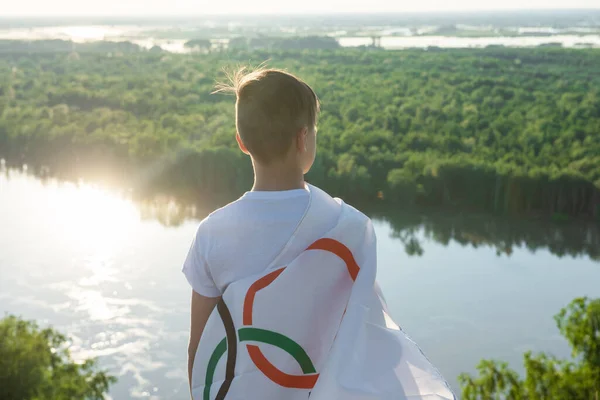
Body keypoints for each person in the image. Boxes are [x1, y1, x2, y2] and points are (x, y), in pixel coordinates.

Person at [182, 67, 454, 400]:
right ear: (303, 139)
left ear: (241, 142)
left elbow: (200, 352)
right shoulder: (349, 228)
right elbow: (366, 337)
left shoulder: (211, 234)